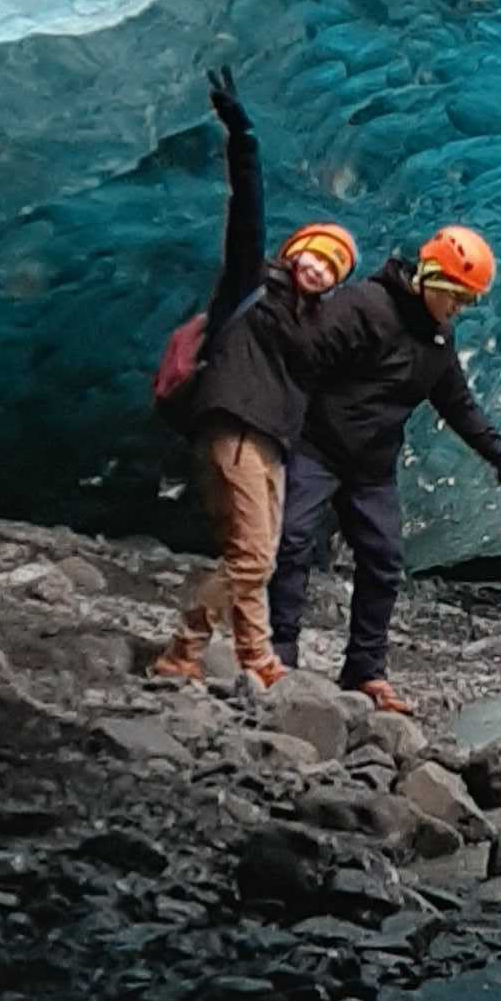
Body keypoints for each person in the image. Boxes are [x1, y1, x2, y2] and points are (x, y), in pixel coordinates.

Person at [270, 223, 501, 712]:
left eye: (468, 301)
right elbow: (299, 357)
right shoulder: (364, 306)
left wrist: (498, 455)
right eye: (455, 295)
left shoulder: (437, 340)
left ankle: (365, 672)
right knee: (292, 542)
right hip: (316, 449)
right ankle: (279, 653)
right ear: (429, 276)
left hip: (371, 469)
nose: (458, 308)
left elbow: (457, 403)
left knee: (384, 563)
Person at [152, 69, 356, 690]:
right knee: (252, 556)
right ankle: (182, 653)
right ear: (294, 252)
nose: (319, 268)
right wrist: (244, 138)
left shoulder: (305, 327)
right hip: (234, 428)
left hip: (267, 441)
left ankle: (256, 660)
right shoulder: (252, 288)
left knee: (253, 557)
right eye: (315, 254)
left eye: (333, 266)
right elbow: (246, 215)